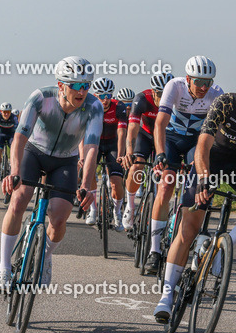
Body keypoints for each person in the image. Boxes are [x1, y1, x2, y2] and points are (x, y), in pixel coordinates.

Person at [152, 64, 236, 321]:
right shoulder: (225, 103)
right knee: (188, 230)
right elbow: (202, 145)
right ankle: (167, 295)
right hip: (210, 164)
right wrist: (203, 179)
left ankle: (222, 247)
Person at [0, 57, 102, 289]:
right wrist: (14, 172)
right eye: (76, 85)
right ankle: (3, 268)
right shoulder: (41, 98)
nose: (83, 91)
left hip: (66, 161)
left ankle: (44, 257)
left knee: (59, 217)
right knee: (19, 199)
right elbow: (20, 138)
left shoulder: (94, 107)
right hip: (34, 153)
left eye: (87, 85)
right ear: (61, 84)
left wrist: (86, 185)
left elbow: (92, 148)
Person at [143, 57, 223, 274]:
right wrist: (160, 154)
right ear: (188, 79)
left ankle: (188, 236)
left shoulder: (217, 94)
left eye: (208, 82)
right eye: (198, 82)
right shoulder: (174, 86)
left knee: (195, 186)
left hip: (195, 144)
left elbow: (218, 134)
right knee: (166, 185)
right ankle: (154, 251)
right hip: (171, 139)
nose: (204, 87)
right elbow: (160, 123)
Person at [120, 72, 172, 230]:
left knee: (163, 175)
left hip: (163, 137)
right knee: (137, 166)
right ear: (153, 91)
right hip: (145, 135)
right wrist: (129, 152)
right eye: (160, 94)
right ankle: (130, 205)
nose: (163, 97)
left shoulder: (175, 101)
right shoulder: (142, 99)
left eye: (166, 94)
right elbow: (132, 128)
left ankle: (159, 210)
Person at [84, 77, 128, 231]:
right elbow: (82, 133)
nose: (105, 99)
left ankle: (117, 214)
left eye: (108, 95)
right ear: (95, 95)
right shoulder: (88, 106)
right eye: (101, 96)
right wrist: (82, 157)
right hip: (94, 143)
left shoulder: (119, 107)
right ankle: (93, 210)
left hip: (113, 145)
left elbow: (122, 133)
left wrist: (121, 155)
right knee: (88, 174)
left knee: (116, 182)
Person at [0, 102, 18, 180]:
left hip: (11, 135)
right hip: (1, 135)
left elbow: (17, 130)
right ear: (1, 112)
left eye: (8, 112)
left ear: (10, 112)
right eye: (4, 112)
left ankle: (12, 168)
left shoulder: (14, 118)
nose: (6, 114)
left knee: (13, 151)